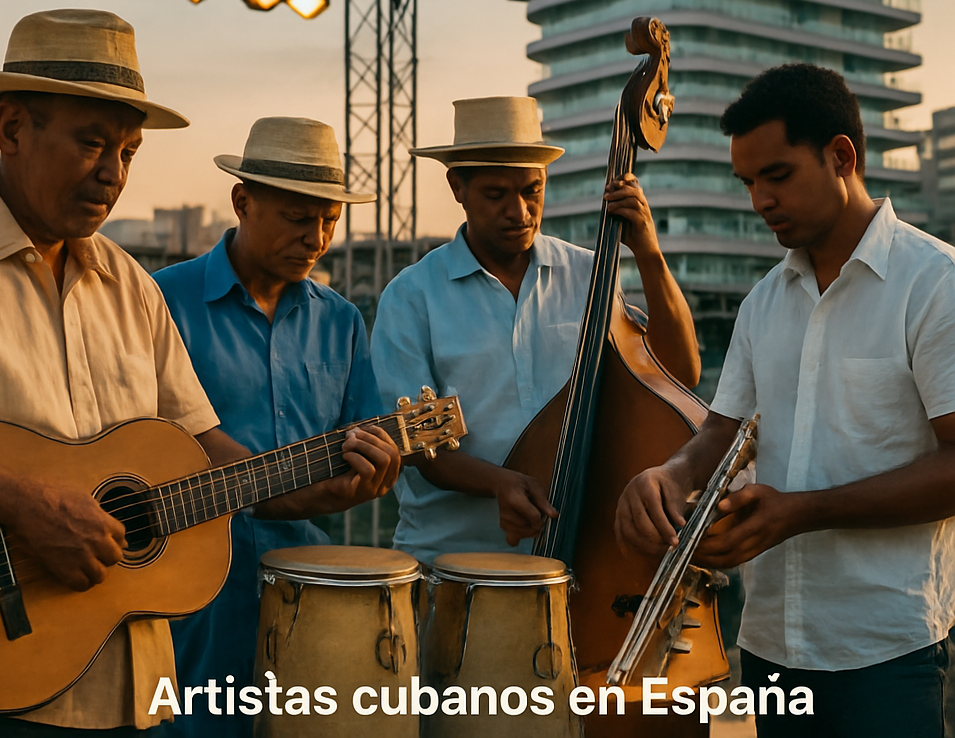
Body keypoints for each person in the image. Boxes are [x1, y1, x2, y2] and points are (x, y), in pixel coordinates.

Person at [0, 10, 394, 737]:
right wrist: (24, 505)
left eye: (128, 150)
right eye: (91, 143)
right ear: (12, 127)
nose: (113, 172)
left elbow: (209, 454)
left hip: (135, 692)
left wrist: (319, 481)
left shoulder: (131, 286)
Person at [615, 63, 955, 737]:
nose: (760, 200)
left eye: (777, 175)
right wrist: (667, 475)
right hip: (769, 648)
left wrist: (802, 512)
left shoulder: (935, 284)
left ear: (841, 156)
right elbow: (721, 433)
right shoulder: (764, 301)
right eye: (748, 183)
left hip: (884, 652)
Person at [370, 95, 701, 566]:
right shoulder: (410, 297)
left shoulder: (593, 273)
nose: (519, 212)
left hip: (581, 559)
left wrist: (647, 251)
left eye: (532, 191)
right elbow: (419, 442)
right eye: (496, 195)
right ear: (456, 187)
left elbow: (679, 373)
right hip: (450, 563)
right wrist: (499, 482)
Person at [153, 116, 401, 738]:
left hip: (303, 587)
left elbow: (363, 446)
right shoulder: (160, 301)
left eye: (329, 220)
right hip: (182, 591)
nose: (316, 237)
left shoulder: (342, 321)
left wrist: (375, 470)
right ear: (242, 201)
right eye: (297, 216)